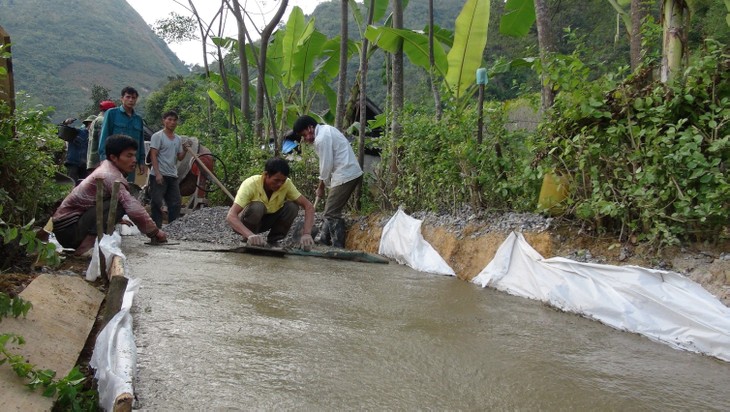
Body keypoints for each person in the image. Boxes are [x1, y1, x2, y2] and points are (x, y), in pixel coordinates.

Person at [52, 134, 167, 256]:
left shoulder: (107, 169)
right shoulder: (109, 175)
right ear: (114, 157)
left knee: (119, 203)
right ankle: (86, 248)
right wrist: (155, 232)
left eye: (134, 155)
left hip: (68, 228)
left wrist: (116, 218)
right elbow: (133, 208)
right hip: (68, 231)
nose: (134, 160)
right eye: (129, 156)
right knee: (120, 203)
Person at [289, 115, 363, 248]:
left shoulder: (322, 138)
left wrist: (321, 187)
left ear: (310, 128)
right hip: (345, 173)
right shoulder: (326, 130)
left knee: (331, 212)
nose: (305, 139)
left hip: (346, 174)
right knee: (330, 210)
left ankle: (338, 246)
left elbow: (325, 166)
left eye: (304, 135)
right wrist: (323, 185)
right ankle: (324, 239)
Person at [226, 158, 315, 250]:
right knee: (258, 207)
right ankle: (247, 239)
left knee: (292, 207)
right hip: (246, 223)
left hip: (267, 221)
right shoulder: (250, 184)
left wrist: (307, 234)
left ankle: (273, 241)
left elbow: (308, 206)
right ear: (266, 175)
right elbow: (231, 216)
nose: (280, 184)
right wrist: (250, 235)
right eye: (276, 180)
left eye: (282, 181)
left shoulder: (287, 184)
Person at [148, 110, 188, 228]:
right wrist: (157, 173)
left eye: (174, 120)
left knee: (175, 202)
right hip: (159, 174)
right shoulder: (157, 136)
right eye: (169, 119)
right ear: (164, 121)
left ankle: (173, 227)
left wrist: (185, 149)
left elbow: (180, 157)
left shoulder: (178, 139)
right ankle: (156, 228)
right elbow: (153, 154)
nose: (172, 122)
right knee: (156, 202)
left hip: (172, 175)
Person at [98, 87, 146, 183]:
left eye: (133, 98)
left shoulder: (138, 119)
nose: (131, 100)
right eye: (128, 97)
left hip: (130, 162)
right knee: (111, 188)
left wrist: (141, 161)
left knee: (128, 188)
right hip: (114, 160)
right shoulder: (111, 113)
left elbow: (140, 142)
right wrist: (104, 159)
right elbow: (104, 137)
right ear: (122, 98)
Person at [61, 115, 95, 184]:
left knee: (84, 184)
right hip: (73, 162)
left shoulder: (95, 137)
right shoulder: (77, 132)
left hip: (85, 165)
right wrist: (65, 123)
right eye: (92, 123)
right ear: (88, 124)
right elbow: (62, 131)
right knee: (71, 182)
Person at [87, 100, 117, 171]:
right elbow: (104, 140)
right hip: (98, 161)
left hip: (93, 160)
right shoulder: (102, 121)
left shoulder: (96, 120)